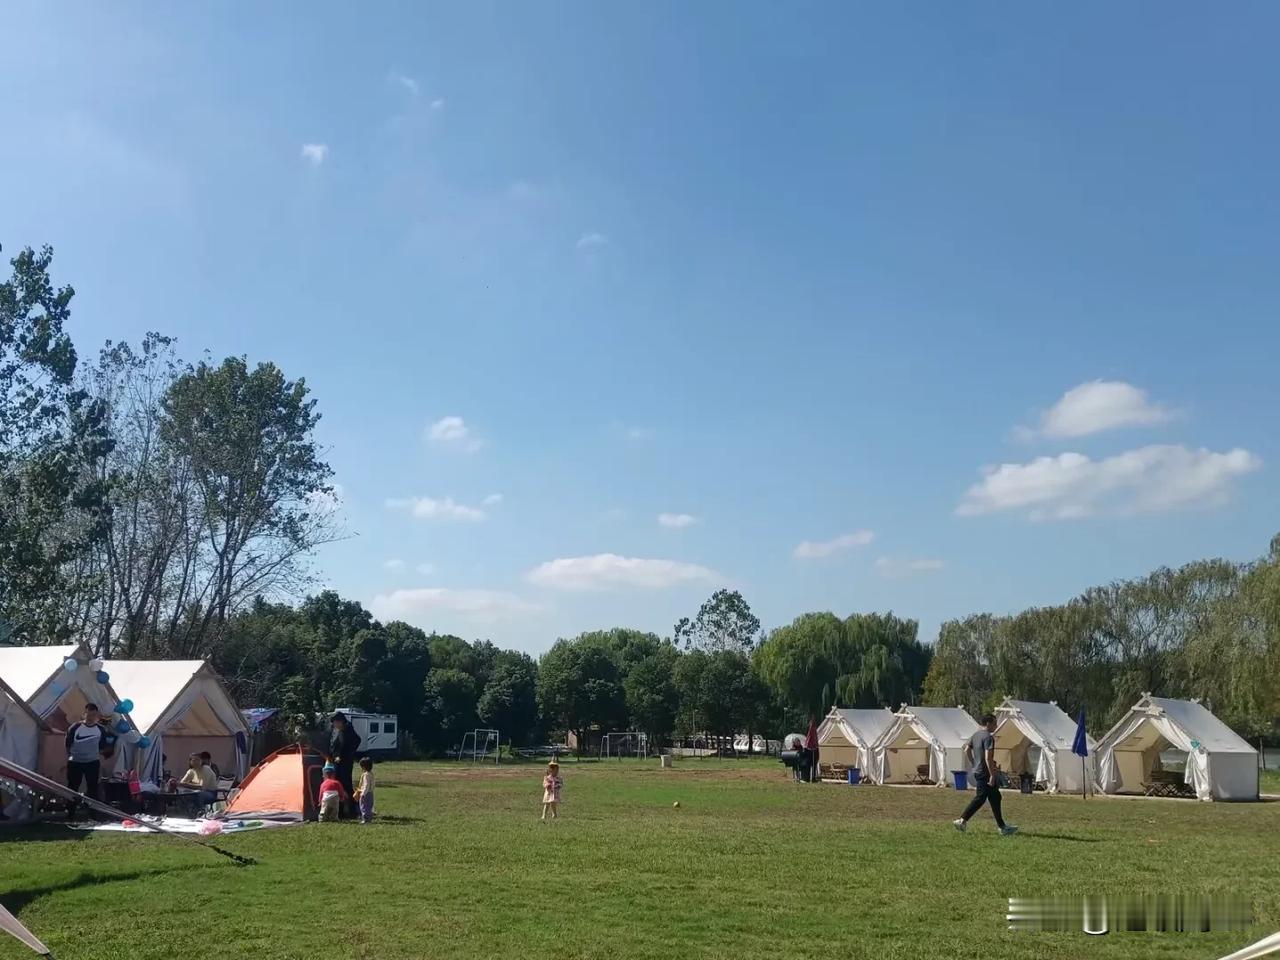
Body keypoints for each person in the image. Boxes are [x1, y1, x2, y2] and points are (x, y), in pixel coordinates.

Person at [954, 714, 1017, 836]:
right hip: (986, 772)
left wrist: (974, 763)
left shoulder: (975, 735)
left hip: (978, 770)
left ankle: (1002, 827)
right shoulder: (988, 737)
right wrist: (992, 775)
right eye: (994, 723)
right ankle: (962, 820)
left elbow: (967, 750)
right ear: (988, 723)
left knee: (995, 797)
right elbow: (988, 757)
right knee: (981, 797)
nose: (996, 726)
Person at [65, 704, 110, 811]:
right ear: (84, 714)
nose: (90, 717)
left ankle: (92, 813)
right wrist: (72, 756)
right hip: (75, 762)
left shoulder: (101, 730)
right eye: (88, 715)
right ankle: (70, 812)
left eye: (93, 715)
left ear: (96, 715)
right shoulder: (75, 727)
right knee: (72, 787)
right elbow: (67, 744)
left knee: (92, 788)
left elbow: (102, 747)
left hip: (92, 763)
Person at [328, 712, 362, 817]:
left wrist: (345, 756)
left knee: (346, 785)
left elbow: (356, 741)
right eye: (334, 723)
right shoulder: (336, 731)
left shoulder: (348, 731)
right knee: (337, 785)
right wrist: (334, 756)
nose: (335, 724)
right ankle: (340, 811)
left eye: (336, 722)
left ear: (341, 721)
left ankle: (352, 811)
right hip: (336, 763)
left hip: (345, 763)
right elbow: (335, 746)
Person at [355, 757, 375, 824]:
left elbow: (366, 785)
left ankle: (365, 819)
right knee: (369, 806)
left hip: (365, 793)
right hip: (370, 793)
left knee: (364, 806)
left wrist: (363, 793)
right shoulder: (371, 774)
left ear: (364, 767)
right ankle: (369, 818)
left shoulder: (366, 775)